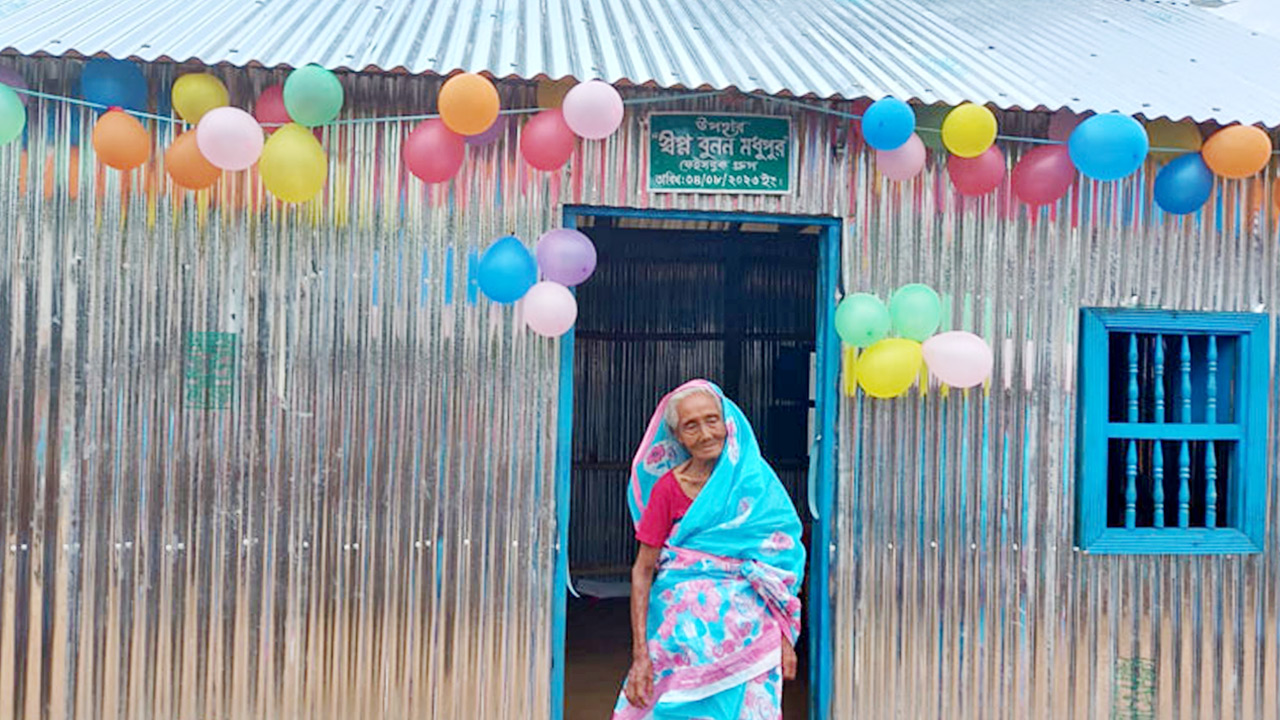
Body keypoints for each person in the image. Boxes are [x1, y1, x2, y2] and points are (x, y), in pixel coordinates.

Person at [611, 379, 805, 720]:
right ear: (678, 437)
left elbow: (778, 565)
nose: (705, 433)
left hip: (752, 635)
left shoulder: (755, 483)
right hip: (679, 638)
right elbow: (643, 569)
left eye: (711, 420)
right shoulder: (667, 490)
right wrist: (641, 654)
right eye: (691, 425)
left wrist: (784, 641)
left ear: (727, 421)